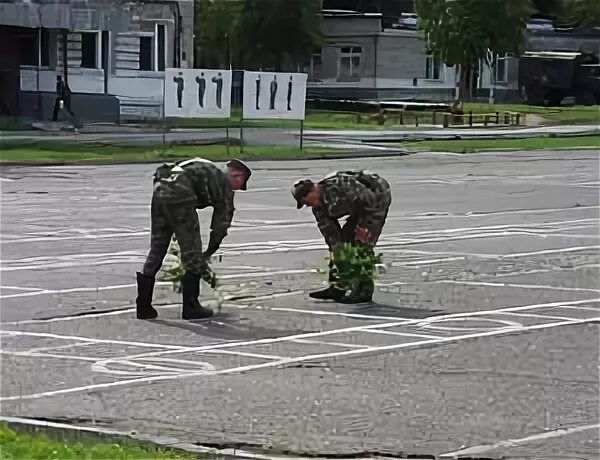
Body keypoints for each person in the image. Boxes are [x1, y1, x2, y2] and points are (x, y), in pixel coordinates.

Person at [136, 158, 252, 320]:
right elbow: (221, 222)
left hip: (160, 191)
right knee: (192, 253)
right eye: (240, 184)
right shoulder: (223, 182)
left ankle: (143, 305)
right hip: (182, 196)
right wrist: (209, 251)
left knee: (157, 248)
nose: (237, 189)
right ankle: (191, 307)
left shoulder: (201, 165)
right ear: (237, 176)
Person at [291, 170, 391, 303]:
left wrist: (363, 226)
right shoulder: (318, 208)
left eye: (306, 201)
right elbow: (332, 236)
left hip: (376, 197)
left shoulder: (342, 186)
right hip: (359, 205)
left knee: (361, 245)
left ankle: (363, 292)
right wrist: (338, 254)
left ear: (313, 191)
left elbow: (369, 200)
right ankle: (338, 287)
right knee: (342, 244)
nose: (308, 205)